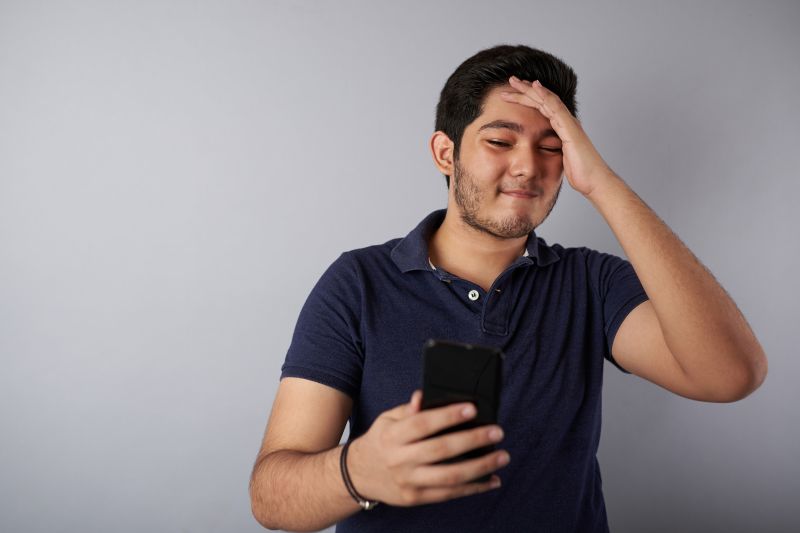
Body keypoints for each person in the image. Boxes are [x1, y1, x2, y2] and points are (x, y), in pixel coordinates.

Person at [249, 44, 767, 532]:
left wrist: (602, 184)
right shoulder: (358, 283)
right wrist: (358, 471)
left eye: (552, 148)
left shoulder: (591, 282)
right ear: (445, 153)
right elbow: (271, 497)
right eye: (500, 141)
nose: (528, 167)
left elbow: (731, 374)